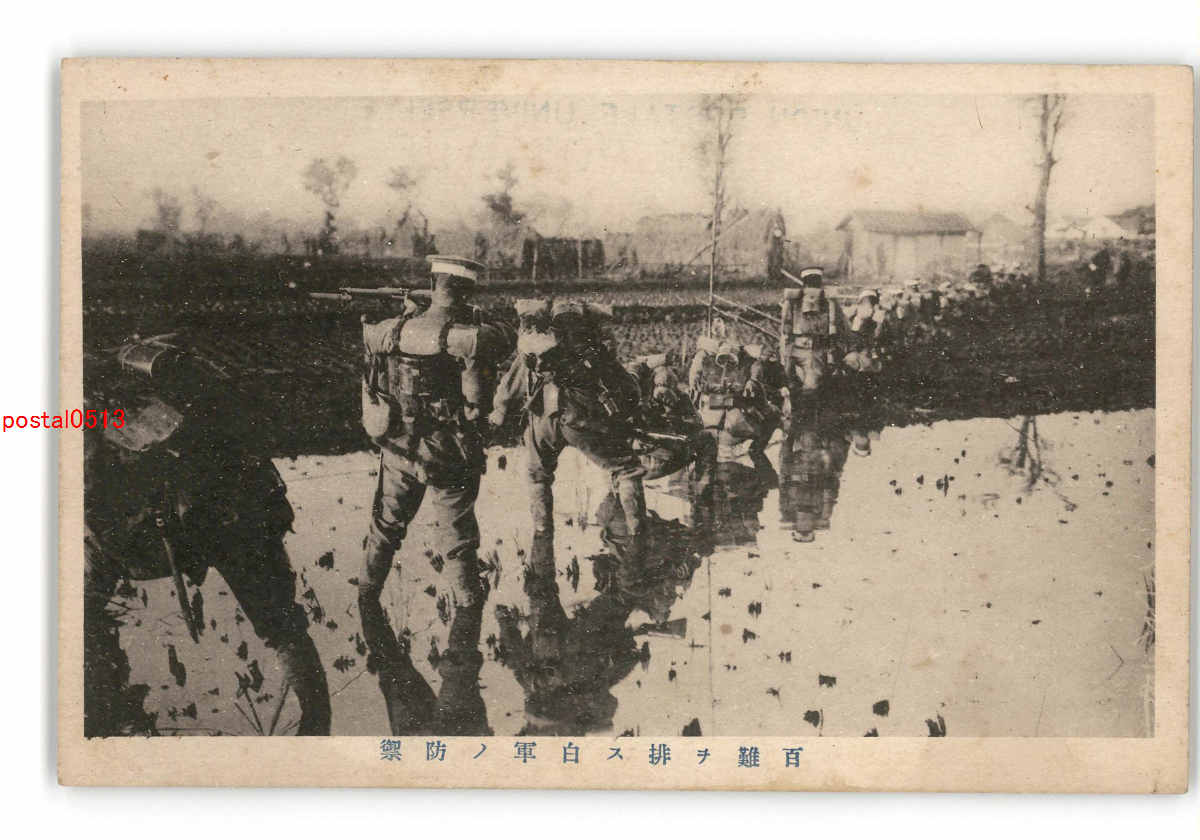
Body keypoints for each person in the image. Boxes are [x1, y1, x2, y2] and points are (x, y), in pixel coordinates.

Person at [83, 338, 331, 736]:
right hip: (238, 516)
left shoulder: (93, 415)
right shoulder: (193, 393)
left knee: (83, 601)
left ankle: (102, 708)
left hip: (194, 525)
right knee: (283, 629)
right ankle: (316, 729)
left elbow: (90, 496)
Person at [358, 255, 514, 735]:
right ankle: (464, 628)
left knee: (386, 527)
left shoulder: (392, 329)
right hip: (448, 454)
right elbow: (504, 340)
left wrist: (413, 310)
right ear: (467, 292)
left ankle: (367, 598)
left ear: (432, 282)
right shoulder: (470, 335)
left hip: (399, 448)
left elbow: (373, 354)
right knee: (457, 542)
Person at [489, 299, 648, 562]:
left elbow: (508, 390)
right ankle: (638, 535)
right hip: (583, 421)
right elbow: (628, 390)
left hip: (542, 420)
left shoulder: (534, 348)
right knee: (627, 469)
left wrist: (499, 414)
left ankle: (542, 537)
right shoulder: (593, 348)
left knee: (538, 477)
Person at [779, 267, 848, 397]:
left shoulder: (829, 303)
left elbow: (841, 330)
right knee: (787, 383)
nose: (812, 292)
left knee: (810, 387)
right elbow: (785, 330)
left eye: (814, 285)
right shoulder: (793, 302)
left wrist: (833, 353)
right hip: (794, 349)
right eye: (810, 284)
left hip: (817, 350)